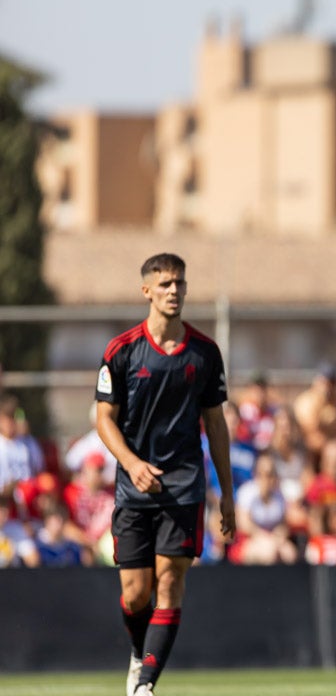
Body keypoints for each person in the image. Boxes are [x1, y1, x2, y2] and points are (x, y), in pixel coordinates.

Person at [94, 253, 236, 696]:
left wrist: (226, 493)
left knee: (171, 579)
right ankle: (141, 654)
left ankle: (144, 686)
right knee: (136, 595)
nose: (174, 291)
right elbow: (103, 419)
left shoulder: (205, 352)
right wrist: (133, 464)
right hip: (133, 489)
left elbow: (216, 424)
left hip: (183, 485)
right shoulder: (122, 351)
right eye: (165, 284)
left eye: (180, 283)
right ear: (147, 291)